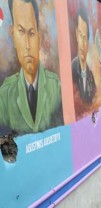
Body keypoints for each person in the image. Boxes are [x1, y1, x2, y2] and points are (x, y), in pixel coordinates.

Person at [0, 0, 63, 134]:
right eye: (21, 32)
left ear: (39, 38)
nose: (27, 45)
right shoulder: (5, 95)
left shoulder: (56, 87)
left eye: (32, 33)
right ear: (12, 34)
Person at [72, 8, 96, 105]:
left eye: (85, 38)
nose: (82, 43)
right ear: (76, 35)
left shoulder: (91, 77)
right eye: (80, 35)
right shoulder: (71, 70)